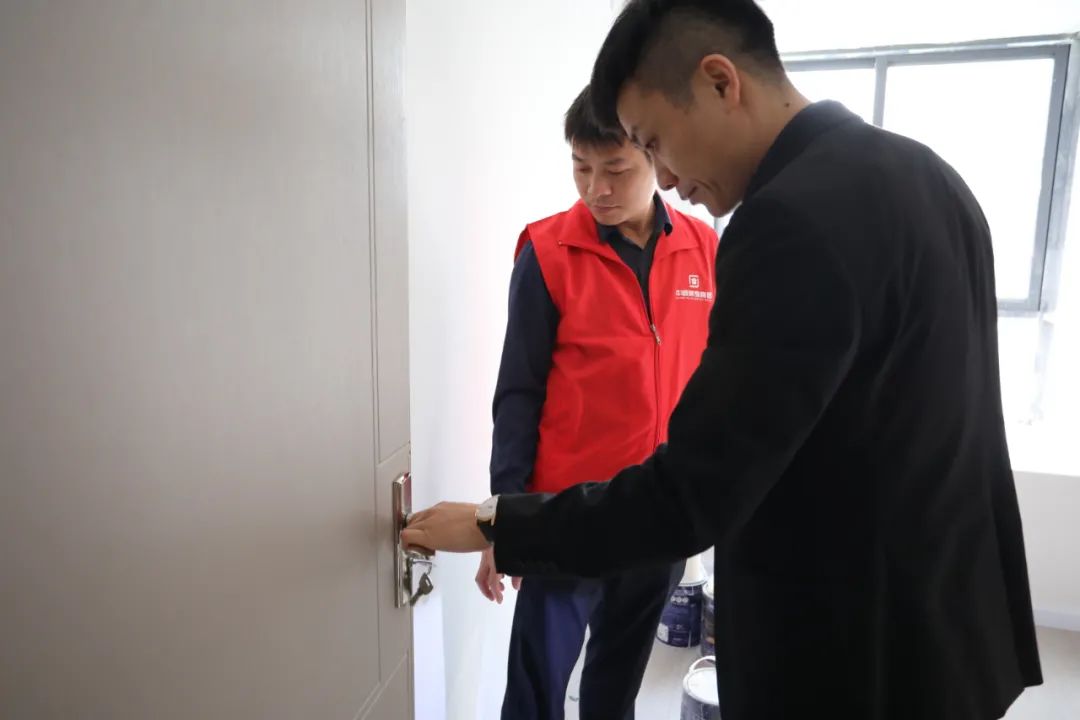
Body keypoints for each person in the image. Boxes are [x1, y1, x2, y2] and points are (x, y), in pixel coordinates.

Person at [404, 1, 1043, 718]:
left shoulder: (782, 222)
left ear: (719, 82)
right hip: (953, 633)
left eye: (653, 143)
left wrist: (498, 522)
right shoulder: (930, 175)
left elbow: (693, 491)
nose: (667, 178)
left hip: (850, 651)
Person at [479, 84, 718, 720]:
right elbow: (518, 392)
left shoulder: (702, 249)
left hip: (656, 510)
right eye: (581, 168)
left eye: (616, 169)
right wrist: (504, 519)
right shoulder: (547, 252)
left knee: (616, 684)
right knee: (536, 690)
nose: (596, 189)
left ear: (655, 158)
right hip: (564, 515)